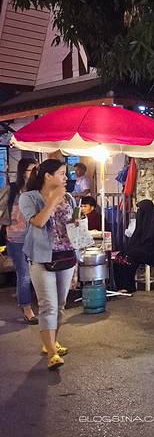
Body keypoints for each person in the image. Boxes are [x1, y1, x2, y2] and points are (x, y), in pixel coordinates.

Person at [20, 159, 79, 370]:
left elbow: (71, 225)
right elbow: (38, 222)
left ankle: (51, 341)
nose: (66, 177)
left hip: (66, 255)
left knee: (61, 305)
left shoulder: (69, 198)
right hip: (41, 257)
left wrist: (77, 222)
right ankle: (52, 353)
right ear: (47, 175)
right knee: (48, 305)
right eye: (62, 173)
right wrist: (53, 200)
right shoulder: (29, 197)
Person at [3, 158, 38, 324]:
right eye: (33, 170)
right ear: (23, 172)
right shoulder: (11, 190)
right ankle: (27, 308)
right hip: (15, 238)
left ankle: (28, 301)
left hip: (35, 238)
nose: (36, 173)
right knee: (24, 274)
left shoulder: (36, 191)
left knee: (35, 273)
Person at [113, 199, 154, 293]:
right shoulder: (142, 223)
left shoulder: (153, 225)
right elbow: (136, 238)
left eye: (140, 209)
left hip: (152, 253)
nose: (138, 212)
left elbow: (151, 244)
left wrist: (135, 249)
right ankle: (120, 286)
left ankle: (128, 287)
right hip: (141, 250)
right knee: (119, 258)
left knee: (128, 260)